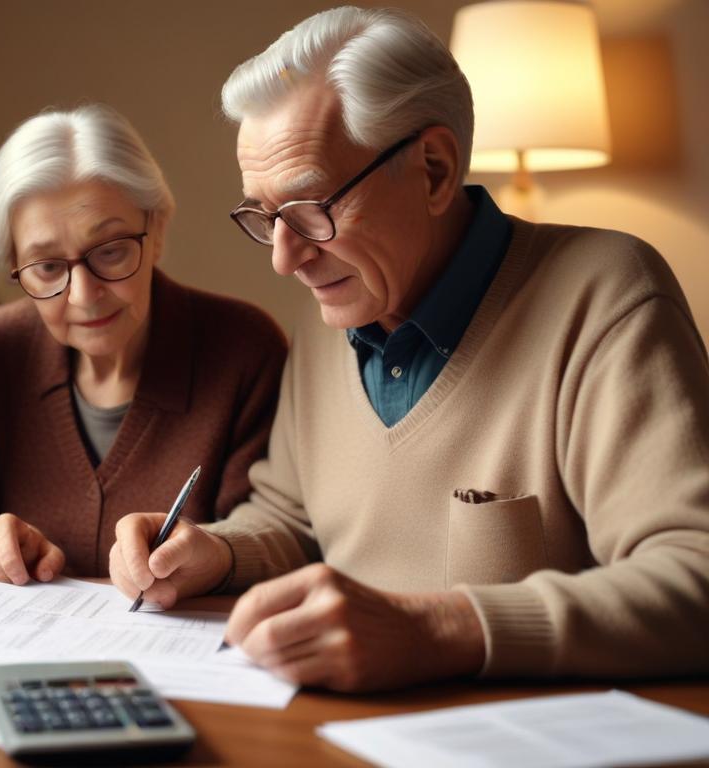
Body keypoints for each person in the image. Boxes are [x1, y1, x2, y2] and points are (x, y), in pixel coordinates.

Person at [110, 7, 709, 690]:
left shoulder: (605, 295)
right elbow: (292, 518)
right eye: (265, 216)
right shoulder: (329, 314)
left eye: (312, 208)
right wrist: (212, 552)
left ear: (432, 170)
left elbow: (695, 572)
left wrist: (436, 629)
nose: (285, 258)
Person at [0, 105, 287, 582]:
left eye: (110, 251)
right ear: (15, 267)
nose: (84, 296)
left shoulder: (244, 351)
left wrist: (211, 553)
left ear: (158, 229)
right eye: (46, 268)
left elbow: (279, 541)